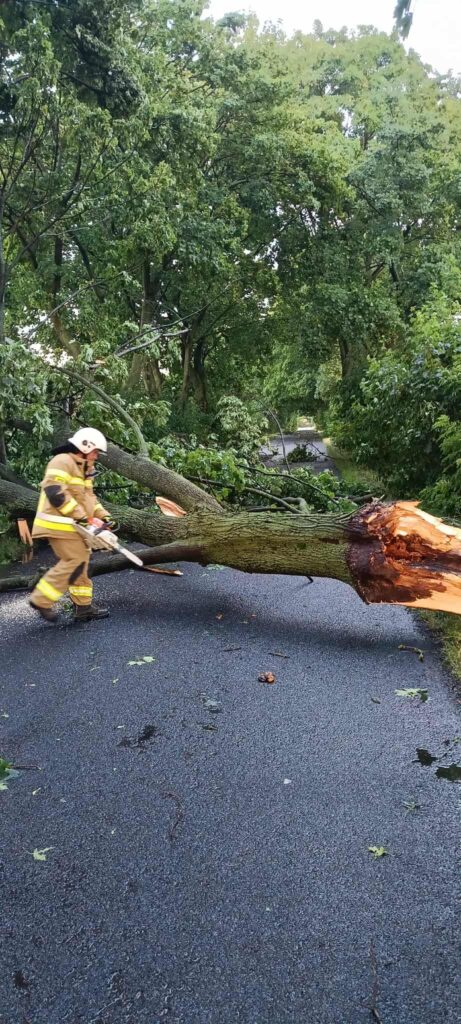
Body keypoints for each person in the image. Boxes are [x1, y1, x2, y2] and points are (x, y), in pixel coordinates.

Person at [29, 427, 116, 623]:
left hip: (74, 525)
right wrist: (82, 517)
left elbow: (90, 499)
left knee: (81, 563)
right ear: (85, 447)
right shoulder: (62, 461)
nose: (97, 456)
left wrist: (105, 517)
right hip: (58, 523)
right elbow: (55, 492)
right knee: (75, 561)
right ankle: (41, 599)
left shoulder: (86, 469)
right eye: (96, 452)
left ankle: (83, 607)